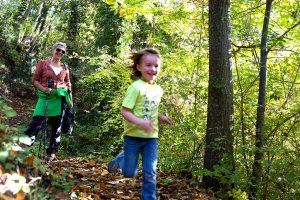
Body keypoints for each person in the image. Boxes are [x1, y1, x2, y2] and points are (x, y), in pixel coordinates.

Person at [108, 48, 174, 199]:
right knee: (130, 173)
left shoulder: (158, 90)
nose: (153, 69)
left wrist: (161, 117)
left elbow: (150, 110)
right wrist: (140, 122)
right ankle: (120, 159)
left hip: (151, 138)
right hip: (132, 137)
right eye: (148, 65)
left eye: (156, 66)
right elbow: (125, 111)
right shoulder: (135, 87)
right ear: (139, 67)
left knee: (150, 171)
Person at [23, 42, 72, 162]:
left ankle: (51, 152)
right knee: (37, 122)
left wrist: (71, 101)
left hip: (59, 98)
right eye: (58, 49)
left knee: (57, 127)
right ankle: (24, 146)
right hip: (44, 96)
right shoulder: (43, 63)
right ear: (53, 50)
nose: (60, 52)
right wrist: (43, 88)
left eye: (62, 51)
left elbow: (68, 84)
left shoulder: (65, 67)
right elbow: (35, 80)